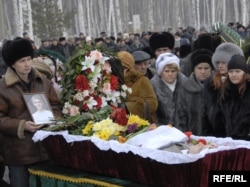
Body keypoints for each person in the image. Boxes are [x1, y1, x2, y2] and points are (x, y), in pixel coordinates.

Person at [0, 38, 62, 187]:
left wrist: (51, 119)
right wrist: (21, 125)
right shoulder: (3, 87)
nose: (27, 64)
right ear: (12, 63)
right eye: (22, 61)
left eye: (29, 59)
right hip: (19, 154)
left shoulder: (43, 81)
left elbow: (55, 106)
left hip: (45, 149)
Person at [202, 42, 244, 137]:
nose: (220, 65)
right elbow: (205, 111)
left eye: (224, 62)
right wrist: (206, 133)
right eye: (218, 62)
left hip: (237, 136)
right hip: (214, 135)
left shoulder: (242, 84)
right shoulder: (211, 83)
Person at [176, 49, 214, 135]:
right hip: (192, 136)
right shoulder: (185, 87)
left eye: (206, 68)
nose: (203, 72)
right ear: (194, 69)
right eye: (199, 68)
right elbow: (181, 114)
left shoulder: (217, 87)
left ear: (211, 69)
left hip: (214, 137)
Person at [215, 55, 250, 140]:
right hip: (229, 141)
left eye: (238, 71)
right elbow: (220, 117)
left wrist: (239, 133)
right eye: (231, 71)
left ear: (244, 72)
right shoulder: (225, 91)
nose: (234, 75)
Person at [117, 51, 158, 123]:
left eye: (145, 64)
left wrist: (127, 108)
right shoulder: (117, 81)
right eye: (139, 64)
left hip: (144, 125)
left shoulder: (143, 80)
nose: (143, 67)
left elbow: (153, 104)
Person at [150, 52, 187, 125]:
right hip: (164, 128)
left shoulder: (186, 83)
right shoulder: (153, 86)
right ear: (161, 72)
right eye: (166, 71)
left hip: (184, 127)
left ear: (177, 71)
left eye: (173, 71)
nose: (170, 74)